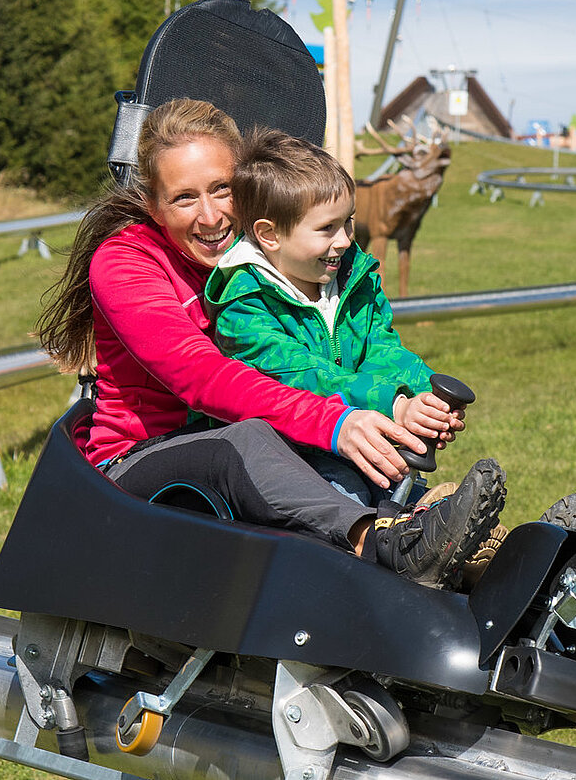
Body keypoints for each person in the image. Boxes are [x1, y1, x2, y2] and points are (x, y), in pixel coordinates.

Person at [34, 98, 504, 588]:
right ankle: (380, 541)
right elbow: (203, 378)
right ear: (153, 205)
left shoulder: (266, 257)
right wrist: (336, 421)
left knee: (288, 439)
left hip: (245, 438)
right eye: (184, 198)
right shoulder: (126, 263)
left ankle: (478, 546)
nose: (212, 216)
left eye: (222, 190)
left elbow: (335, 353)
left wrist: (403, 397)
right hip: (139, 461)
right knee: (243, 442)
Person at [203, 131, 455, 507]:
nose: (345, 241)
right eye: (327, 229)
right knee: (347, 492)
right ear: (269, 235)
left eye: (348, 223)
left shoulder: (353, 279)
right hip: (287, 451)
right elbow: (303, 375)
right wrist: (394, 404)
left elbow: (380, 347)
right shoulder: (244, 306)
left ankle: (439, 532)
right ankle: (404, 535)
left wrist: (425, 392)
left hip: (358, 436)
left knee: (393, 482)